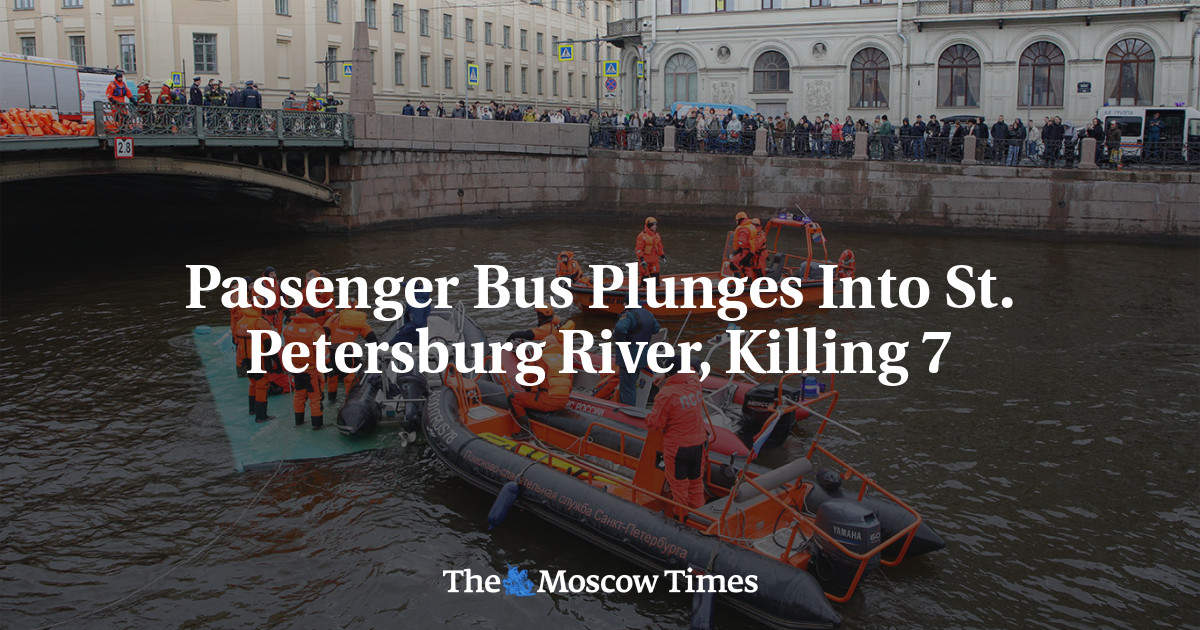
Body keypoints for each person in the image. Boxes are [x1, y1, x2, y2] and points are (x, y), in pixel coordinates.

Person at [644, 360, 708, 511]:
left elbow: (656, 424)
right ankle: (699, 516)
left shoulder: (666, 395)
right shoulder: (694, 382)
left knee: (679, 487)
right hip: (698, 444)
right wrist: (666, 375)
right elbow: (693, 367)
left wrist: (648, 418)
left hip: (678, 448)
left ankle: (682, 519)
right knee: (696, 484)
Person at [507, 329, 574, 424]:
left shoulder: (541, 360)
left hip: (546, 401)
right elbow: (569, 387)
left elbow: (524, 381)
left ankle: (525, 429)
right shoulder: (566, 362)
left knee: (513, 398)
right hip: (563, 402)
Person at [282, 306, 328, 429]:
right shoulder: (315, 330)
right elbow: (323, 352)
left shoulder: (289, 328)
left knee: (299, 395)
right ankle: (317, 425)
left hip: (296, 369)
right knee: (315, 398)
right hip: (311, 370)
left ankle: (299, 421)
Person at [324, 304, 378, 402]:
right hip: (348, 352)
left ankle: (331, 399)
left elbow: (324, 332)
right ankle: (349, 402)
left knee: (332, 378)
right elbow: (371, 338)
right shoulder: (359, 321)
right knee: (349, 378)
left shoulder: (334, 317)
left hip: (333, 351)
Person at [233, 305, 278, 422]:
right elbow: (268, 343)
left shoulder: (241, 322)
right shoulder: (260, 323)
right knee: (262, 385)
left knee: (252, 383)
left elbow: (238, 342)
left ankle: (252, 409)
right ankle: (261, 415)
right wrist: (277, 360)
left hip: (247, 359)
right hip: (260, 358)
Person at [613, 303, 660, 406]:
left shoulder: (628, 315)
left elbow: (619, 329)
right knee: (633, 384)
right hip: (643, 355)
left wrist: (621, 342)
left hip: (630, 355)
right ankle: (629, 407)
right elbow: (656, 328)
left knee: (628, 387)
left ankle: (627, 412)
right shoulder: (649, 315)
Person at [730, 211, 757, 278]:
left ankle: (737, 281)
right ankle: (749, 282)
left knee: (733, 263)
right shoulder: (751, 226)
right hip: (750, 250)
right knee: (746, 266)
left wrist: (739, 250)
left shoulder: (743, 229)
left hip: (744, 250)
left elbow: (742, 241)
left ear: (740, 220)